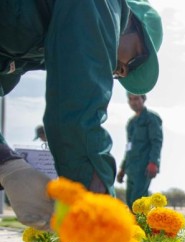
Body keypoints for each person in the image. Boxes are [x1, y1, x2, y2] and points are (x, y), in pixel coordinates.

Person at [0, 0, 162, 230]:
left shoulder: (46, 46)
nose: (123, 71)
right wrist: (97, 212)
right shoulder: (104, 5)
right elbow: (78, 115)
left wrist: (7, 164)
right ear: (129, 21)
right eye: (137, 58)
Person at [117, 93, 163, 208]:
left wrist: (153, 162)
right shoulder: (131, 123)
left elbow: (156, 142)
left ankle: (144, 225)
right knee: (130, 201)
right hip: (131, 168)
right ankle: (137, 226)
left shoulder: (151, 118)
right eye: (130, 99)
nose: (133, 102)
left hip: (144, 167)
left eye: (136, 98)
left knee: (138, 201)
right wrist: (122, 168)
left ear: (143, 99)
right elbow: (128, 147)